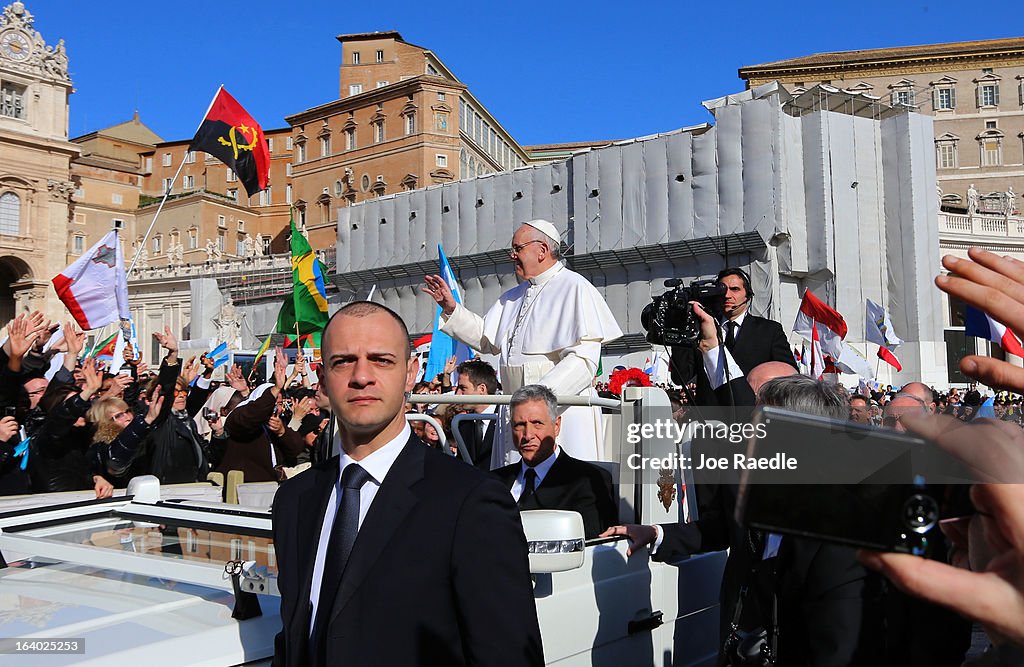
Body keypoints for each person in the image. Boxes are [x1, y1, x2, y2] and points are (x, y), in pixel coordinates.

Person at [271, 302, 542, 667]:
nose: (362, 376)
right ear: (322, 378)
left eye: (381, 360)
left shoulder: (471, 503)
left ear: (410, 373)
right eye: (343, 361)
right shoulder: (294, 500)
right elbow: (294, 640)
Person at [604, 375, 886, 665]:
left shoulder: (847, 518)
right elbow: (724, 528)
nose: (749, 425)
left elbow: (842, 635)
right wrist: (656, 533)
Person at [423, 219, 622, 465]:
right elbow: (486, 337)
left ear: (542, 251)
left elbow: (583, 360)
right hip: (512, 404)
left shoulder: (575, 287)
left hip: (559, 411)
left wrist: (539, 402)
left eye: (518, 248)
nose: (512, 255)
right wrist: (452, 309)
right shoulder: (513, 296)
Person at [493, 384, 617, 539]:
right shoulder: (493, 481)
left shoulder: (589, 481)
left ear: (556, 426)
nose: (528, 435)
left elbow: (589, 544)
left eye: (537, 423)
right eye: (519, 425)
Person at [670, 267, 796, 408]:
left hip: (751, 415)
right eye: (722, 289)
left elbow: (789, 375)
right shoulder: (702, 328)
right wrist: (680, 330)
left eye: (735, 289)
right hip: (709, 420)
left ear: (748, 295)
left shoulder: (770, 330)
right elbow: (680, 376)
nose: (727, 295)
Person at [453, 358, 498, 470]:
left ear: (481, 389)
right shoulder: (463, 424)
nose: (458, 394)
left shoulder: (506, 421)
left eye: (463, 388)